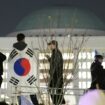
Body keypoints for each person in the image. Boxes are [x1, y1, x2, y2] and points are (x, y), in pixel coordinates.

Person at [10, 33, 39, 105]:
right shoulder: (27, 48)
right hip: (27, 74)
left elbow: (10, 61)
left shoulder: (13, 49)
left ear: (17, 39)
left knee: (19, 93)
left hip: (17, 74)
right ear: (23, 39)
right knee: (31, 92)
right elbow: (32, 60)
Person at [46, 40, 65, 105]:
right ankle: (59, 103)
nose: (49, 47)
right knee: (58, 92)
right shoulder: (56, 53)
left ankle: (58, 103)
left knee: (55, 92)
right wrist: (49, 59)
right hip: (57, 76)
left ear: (54, 45)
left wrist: (51, 74)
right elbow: (54, 63)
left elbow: (55, 65)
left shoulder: (56, 53)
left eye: (50, 45)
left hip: (56, 77)